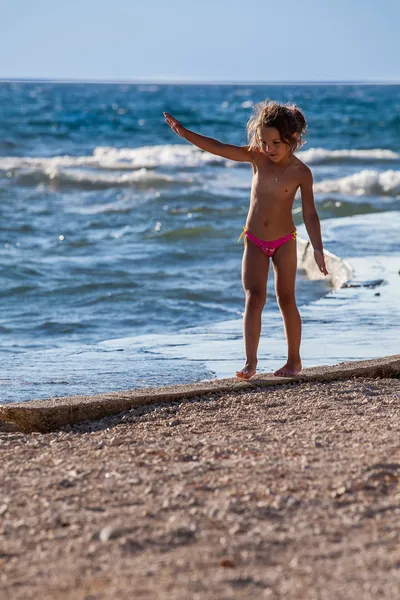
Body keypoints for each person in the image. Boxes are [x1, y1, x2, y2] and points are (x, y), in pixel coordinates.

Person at [164, 100, 328, 379]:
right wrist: (186, 134)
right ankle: (250, 362)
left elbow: (310, 214)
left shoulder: (301, 173)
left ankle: (294, 361)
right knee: (254, 298)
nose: (269, 148)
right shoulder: (257, 158)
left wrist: (318, 249)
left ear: (293, 139)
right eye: (264, 141)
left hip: (284, 242)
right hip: (254, 241)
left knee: (287, 299)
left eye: (276, 142)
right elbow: (219, 148)